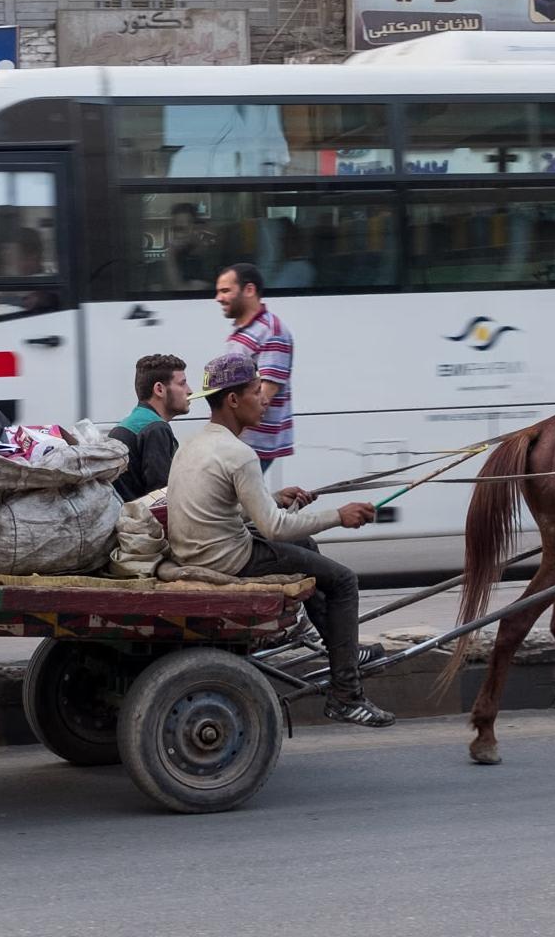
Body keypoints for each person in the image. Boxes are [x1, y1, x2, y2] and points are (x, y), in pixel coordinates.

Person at [165, 353, 393, 727]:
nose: (265, 398)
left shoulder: (193, 444)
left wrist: (272, 499)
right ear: (233, 400)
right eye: (257, 391)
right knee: (344, 581)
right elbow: (273, 530)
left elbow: (222, 508)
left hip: (199, 552)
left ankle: (343, 652)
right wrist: (340, 516)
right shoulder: (240, 454)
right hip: (229, 560)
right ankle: (346, 695)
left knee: (306, 551)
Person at [214, 262, 293, 472]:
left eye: (225, 291)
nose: (219, 298)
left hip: (252, 446)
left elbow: (264, 396)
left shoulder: (271, 332)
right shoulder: (245, 330)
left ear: (249, 290)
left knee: (238, 504)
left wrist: (225, 435)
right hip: (238, 443)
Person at [109, 354, 190, 501]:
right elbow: (162, 495)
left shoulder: (128, 423)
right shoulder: (156, 428)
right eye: (182, 383)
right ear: (159, 389)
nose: (189, 391)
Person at [162, 203, 215, 291]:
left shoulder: (210, 257)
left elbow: (180, 291)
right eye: (176, 229)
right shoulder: (179, 255)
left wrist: (170, 256)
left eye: (182, 229)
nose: (179, 235)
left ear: (196, 228)